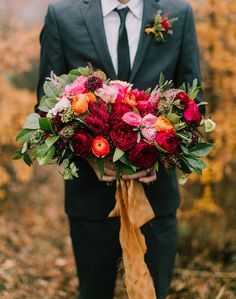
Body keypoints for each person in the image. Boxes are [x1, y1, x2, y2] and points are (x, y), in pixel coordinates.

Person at [36, 0, 202, 298]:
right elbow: (46, 108)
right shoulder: (62, 16)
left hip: (156, 200)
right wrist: (87, 155)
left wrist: (162, 157)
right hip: (91, 200)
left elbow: (194, 104)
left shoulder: (179, 13)